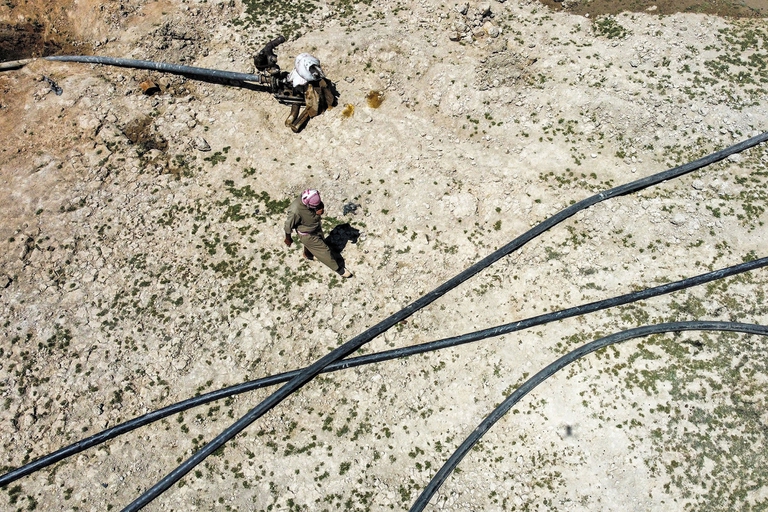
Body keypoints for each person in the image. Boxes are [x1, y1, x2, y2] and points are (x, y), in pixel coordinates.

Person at [283, 189, 353, 278]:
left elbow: (318, 205)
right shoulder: (295, 211)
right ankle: (339, 269)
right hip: (307, 235)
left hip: (315, 228)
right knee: (324, 251)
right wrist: (288, 238)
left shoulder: (311, 197)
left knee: (318, 243)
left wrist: (320, 209)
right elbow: (287, 226)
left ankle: (308, 254)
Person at [284, 53, 335, 133]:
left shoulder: (307, 71)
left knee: (312, 106)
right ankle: (292, 116)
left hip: (307, 86)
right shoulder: (302, 70)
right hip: (302, 84)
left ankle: (297, 123)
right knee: (303, 100)